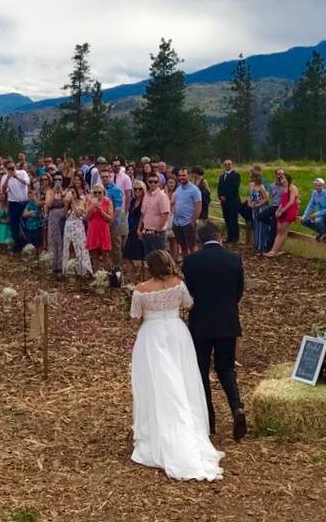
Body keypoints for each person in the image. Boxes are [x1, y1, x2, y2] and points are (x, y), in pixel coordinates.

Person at [129, 249, 225, 481]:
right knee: (181, 378)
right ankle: (187, 426)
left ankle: (158, 430)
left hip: (151, 335)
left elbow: (134, 316)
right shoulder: (178, 284)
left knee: (157, 382)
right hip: (176, 332)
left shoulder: (141, 290)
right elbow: (189, 304)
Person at [181, 222, 246, 441]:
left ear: (199, 242)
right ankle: (237, 407)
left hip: (201, 322)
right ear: (218, 237)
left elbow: (189, 293)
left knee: (201, 370)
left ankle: (208, 418)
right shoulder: (234, 260)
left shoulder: (191, 262)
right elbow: (239, 291)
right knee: (226, 368)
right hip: (227, 321)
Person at [171, 167, 202, 261]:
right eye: (180, 175)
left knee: (192, 246)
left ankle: (196, 264)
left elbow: (198, 207)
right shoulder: (178, 189)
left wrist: (192, 221)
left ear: (189, 175)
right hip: (177, 222)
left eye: (184, 175)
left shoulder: (194, 190)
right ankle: (187, 264)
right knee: (183, 246)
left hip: (188, 222)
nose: (181, 177)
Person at [266, 172, 299, 257]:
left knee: (283, 231)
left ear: (287, 179)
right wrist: (278, 210)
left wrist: (282, 210)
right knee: (279, 231)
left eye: (283, 178)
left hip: (289, 210)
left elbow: (291, 202)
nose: (281, 180)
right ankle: (274, 250)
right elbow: (282, 202)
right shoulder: (283, 188)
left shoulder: (292, 188)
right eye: (280, 178)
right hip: (283, 210)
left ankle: (274, 251)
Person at [62, 186, 93, 277]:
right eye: (70, 192)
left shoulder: (82, 201)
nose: (71, 195)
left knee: (80, 246)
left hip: (78, 226)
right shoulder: (67, 203)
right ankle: (71, 267)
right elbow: (64, 214)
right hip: (68, 225)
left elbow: (79, 214)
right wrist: (67, 204)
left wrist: (72, 202)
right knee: (69, 246)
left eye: (73, 192)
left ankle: (84, 269)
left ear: (76, 193)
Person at [138, 172, 170, 256]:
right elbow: (143, 214)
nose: (153, 184)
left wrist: (157, 230)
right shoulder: (146, 196)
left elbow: (165, 214)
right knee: (148, 258)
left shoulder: (162, 196)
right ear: (147, 182)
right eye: (150, 181)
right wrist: (139, 229)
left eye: (155, 182)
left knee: (159, 258)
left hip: (157, 233)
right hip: (146, 231)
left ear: (159, 183)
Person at [86, 183, 114, 273]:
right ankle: (97, 275)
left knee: (105, 254)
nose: (97, 194)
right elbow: (86, 218)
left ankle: (107, 275)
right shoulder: (90, 202)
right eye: (95, 192)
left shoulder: (108, 201)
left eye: (99, 192)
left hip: (103, 230)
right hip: (93, 230)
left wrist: (101, 210)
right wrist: (92, 208)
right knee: (94, 254)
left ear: (103, 193)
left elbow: (110, 219)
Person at [124, 180, 147, 280]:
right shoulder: (133, 201)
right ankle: (131, 277)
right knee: (127, 254)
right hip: (131, 228)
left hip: (140, 229)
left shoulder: (145, 201)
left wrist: (140, 229)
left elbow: (143, 216)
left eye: (140, 189)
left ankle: (140, 277)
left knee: (139, 256)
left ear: (143, 190)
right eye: (135, 189)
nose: (137, 190)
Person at [5, 161, 31, 252]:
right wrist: (8, 178)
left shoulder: (22, 173)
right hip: (13, 203)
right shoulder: (6, 177)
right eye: (9, 168)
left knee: (25, 224)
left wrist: (16, 176)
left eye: (13, 167)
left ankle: (27, 246)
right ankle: (17, 246)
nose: (12, 169)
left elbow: (27, 182)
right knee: (14, 226)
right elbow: (3, 190)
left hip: (24, 202)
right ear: (6, 169)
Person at [44, 174, 66, 273]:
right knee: (53, 239)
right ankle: (53, 264)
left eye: (60, 179)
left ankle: (61, 264)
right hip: (53, 216)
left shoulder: (66, 190)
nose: (58, 181)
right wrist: (54, 192)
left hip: (63, 216)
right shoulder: (49, 191)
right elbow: (48, 204)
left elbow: (67, 203)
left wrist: (61, 192)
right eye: (56, 179)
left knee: (62, 239)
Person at [245, 170, 271, 253]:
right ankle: (256, 245)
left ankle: (261, 246)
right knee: (255, 226)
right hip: (253, 209)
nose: (250, 178)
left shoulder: (261, 187)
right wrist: (249, 203)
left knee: (261, 226)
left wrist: (258, 204)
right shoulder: (252, 185)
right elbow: (250, 196)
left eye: (252, 177)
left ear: (256, 177)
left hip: (260, 208)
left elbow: (266, 198)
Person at [217, 159, 241, 244]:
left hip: (233, 201)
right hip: (224, 202)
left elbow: (234, 188)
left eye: (229, 164)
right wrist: (220, 196)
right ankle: (229, 237)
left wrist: (226, 196)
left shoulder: (236, 175)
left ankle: (235, 238)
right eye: (225, 164)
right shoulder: (222, 176)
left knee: (233, 219)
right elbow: (219, 187)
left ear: (232, 165)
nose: (227, 166)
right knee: (227, 219)